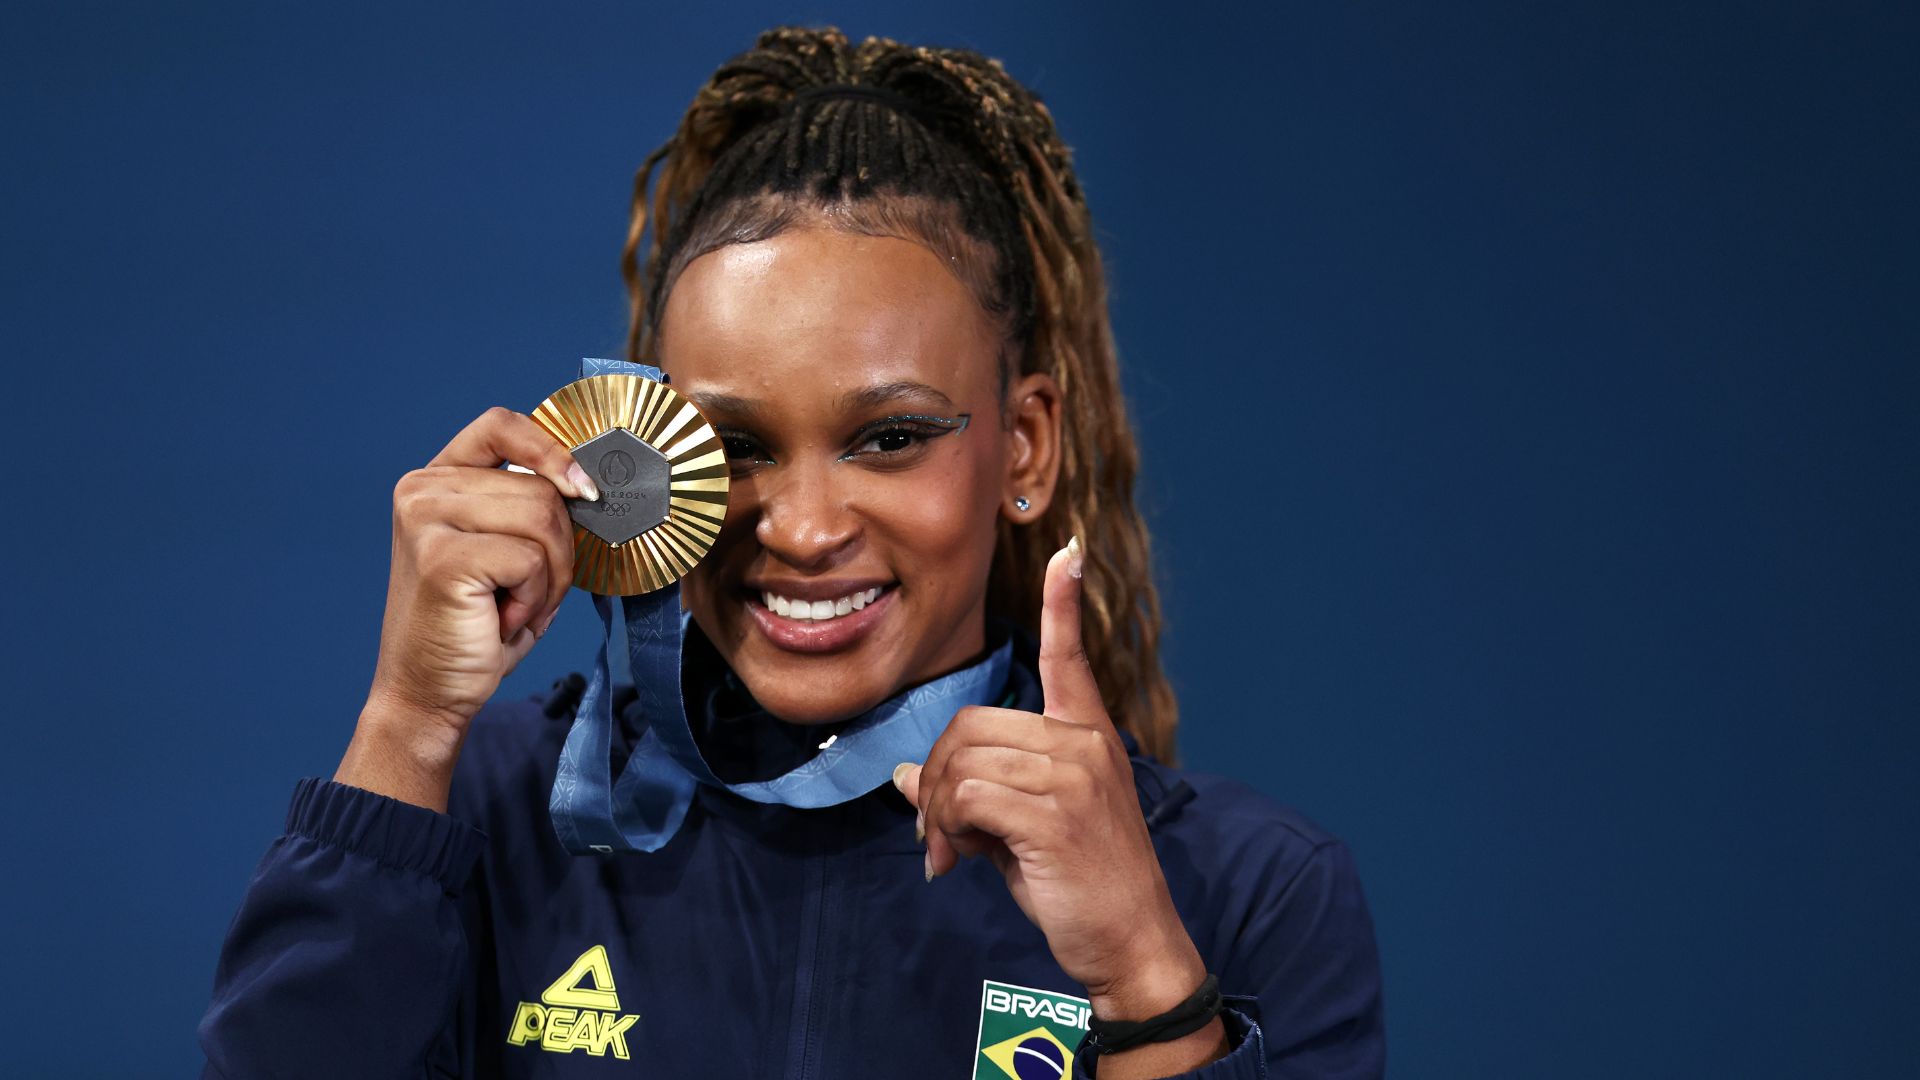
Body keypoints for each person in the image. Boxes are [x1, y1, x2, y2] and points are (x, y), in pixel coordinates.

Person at [199, 25, 1385, 1080]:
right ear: (641, 453)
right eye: (734, 446)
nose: (804, 531)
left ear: (1024, 446)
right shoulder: (488, 814)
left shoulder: (1248, 892)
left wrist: (1141, 982)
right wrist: (408, 724)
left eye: (890, 438)